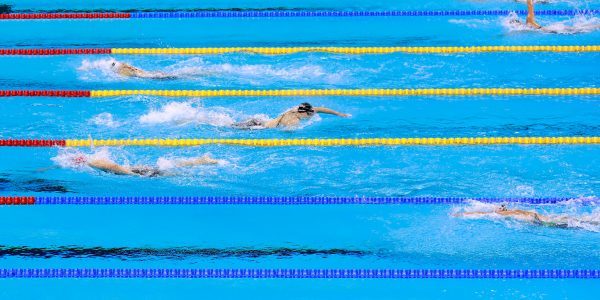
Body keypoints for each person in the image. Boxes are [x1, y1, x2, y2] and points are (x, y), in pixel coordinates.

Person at [70, 153, 221, 177]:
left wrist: (134, 176)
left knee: (165, 171)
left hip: (134, 172)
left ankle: (201, 161)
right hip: (134, 169)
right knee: (165, 169)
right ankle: (199, 160)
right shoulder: (95, 162)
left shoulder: (96, 163)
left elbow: (115, 167)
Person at [454, 204, 599, 228]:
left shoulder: (500, 214)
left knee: (574, 224)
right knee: (574, 220)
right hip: (537, 217)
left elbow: (482, 214)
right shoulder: (512, 211)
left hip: (538, 221)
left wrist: (462, 214)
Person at [232, 102, 350, 129]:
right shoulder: (293, 119)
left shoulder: (303, 111)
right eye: (309, 113)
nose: (311, 114)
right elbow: (287, 132)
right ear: (302, 112)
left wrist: (338, 113)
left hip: (261, 121)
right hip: (260, 127)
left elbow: (321, 109)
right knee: (232, 126)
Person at [509, 0, 600, 33]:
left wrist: (529, 2)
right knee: (579, 28)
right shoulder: (527, 27)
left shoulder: (529, 22)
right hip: (552, 29)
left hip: (552, 30)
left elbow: (530, 5)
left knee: (579, 29)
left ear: (518, 24)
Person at [110, 61, 177, 79]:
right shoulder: (123, 65)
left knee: (167, 77)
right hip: (147, 73)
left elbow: (124, 78)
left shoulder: (122, 71)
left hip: (146, 76)